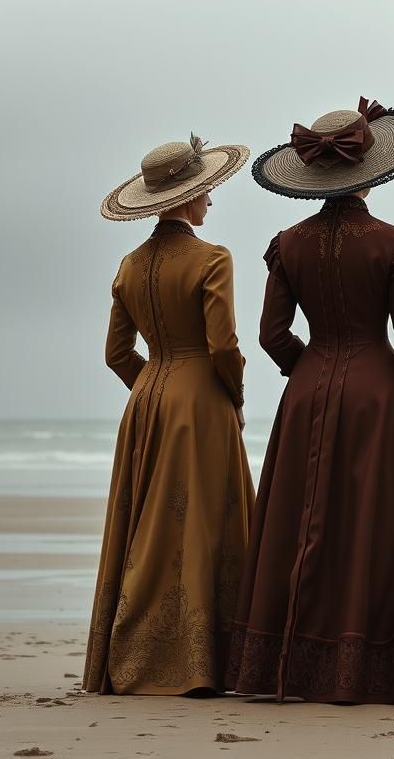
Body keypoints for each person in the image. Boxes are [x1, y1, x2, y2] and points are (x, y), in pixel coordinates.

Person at [226, 98, 394, 703]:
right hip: (378, 395)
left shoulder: (287, 244)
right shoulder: (393, 244)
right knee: (371, 522)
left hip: (307, 391)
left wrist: (309, 369)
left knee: (298, 519)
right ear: (371, 169)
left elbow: (269, 335)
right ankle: (370, 669)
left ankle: (282, 664)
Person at [83, 133, 255, 695]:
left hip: (147, 402)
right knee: (205, 524)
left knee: (147, 528)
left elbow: (115, 354)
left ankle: (136, 654)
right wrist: (232, 393)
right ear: (186, 199)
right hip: (201, 401)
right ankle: (206, 662)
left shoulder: (129, 266)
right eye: (205, 191)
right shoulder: (212, 258)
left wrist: (151, 390)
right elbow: (223, 345)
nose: (210, 201)